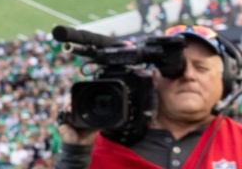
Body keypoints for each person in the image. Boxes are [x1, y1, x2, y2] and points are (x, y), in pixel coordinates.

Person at [55, 24, 242, 168]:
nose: (188, 75)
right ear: (153, 77)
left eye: (201, 67)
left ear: (225, 80)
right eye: (174, 68)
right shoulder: (99, 148)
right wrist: (75, 155)